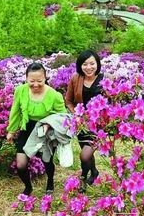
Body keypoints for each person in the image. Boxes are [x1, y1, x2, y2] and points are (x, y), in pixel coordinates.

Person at [6, 62, 66, 195]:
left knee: (47, 161)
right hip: (27, 127)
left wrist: (49, 123)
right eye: (32, 81)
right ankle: (28, 186)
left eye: (40, 81)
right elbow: (15, 111)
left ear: (45, 78)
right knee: (21, 163)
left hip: (46, 129)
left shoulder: (54, 95)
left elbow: (63, 115)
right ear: (26, 78)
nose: (36, 84)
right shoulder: (20, 90)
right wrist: (11, 130)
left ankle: (50, 181)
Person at [65, 50, 104, 190]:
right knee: (86, 154)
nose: (89, 67)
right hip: (81, 124)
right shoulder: (76, 78)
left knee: (84, 155)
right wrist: (75, 114)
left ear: (97, 64)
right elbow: (68, 100)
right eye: (85, 64)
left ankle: (83, 177)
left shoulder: (104, 79)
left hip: (99, 125)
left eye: (92, 63)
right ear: (80, 65)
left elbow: (112, 102)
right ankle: (94, 172)